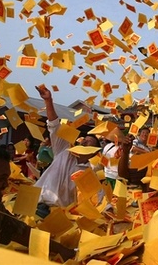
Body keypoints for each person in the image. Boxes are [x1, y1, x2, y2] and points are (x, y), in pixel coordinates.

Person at [0, 145, 74, 260]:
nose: (6, 185)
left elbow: (21, 232)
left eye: (7, 179)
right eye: (1, 179)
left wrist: (62, 250)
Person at [34, 85, 101, 218]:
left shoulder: (89, 173)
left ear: (93, 153)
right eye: (83, 140)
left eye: (89, 143)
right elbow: (54, 125)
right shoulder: (63, 151)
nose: (83, 142)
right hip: (36, 203)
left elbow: (97, 198)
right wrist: (48, 101)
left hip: (58, 214)